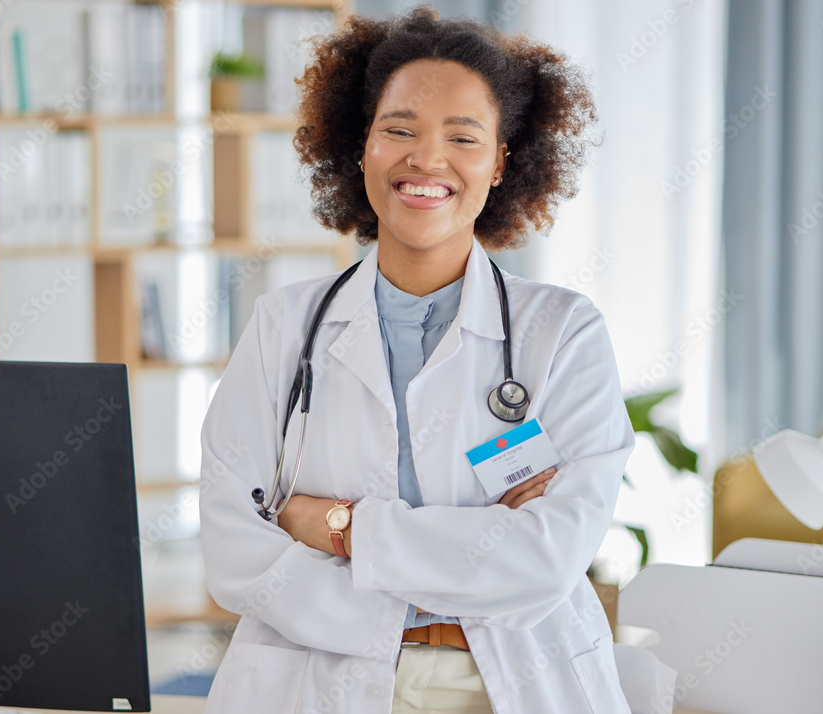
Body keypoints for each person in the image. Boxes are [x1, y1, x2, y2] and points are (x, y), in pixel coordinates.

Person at [199, 6, 635, 713]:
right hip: (320, 681)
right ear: (360, 147)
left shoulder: (563, 333)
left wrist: (338, 528)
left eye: (462, 137)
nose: (426, 160)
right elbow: (232, 549)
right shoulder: (284, 327)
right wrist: (470, 554)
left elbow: (548, 558)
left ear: (500, 163)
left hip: (510, 683)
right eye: (398, 130)